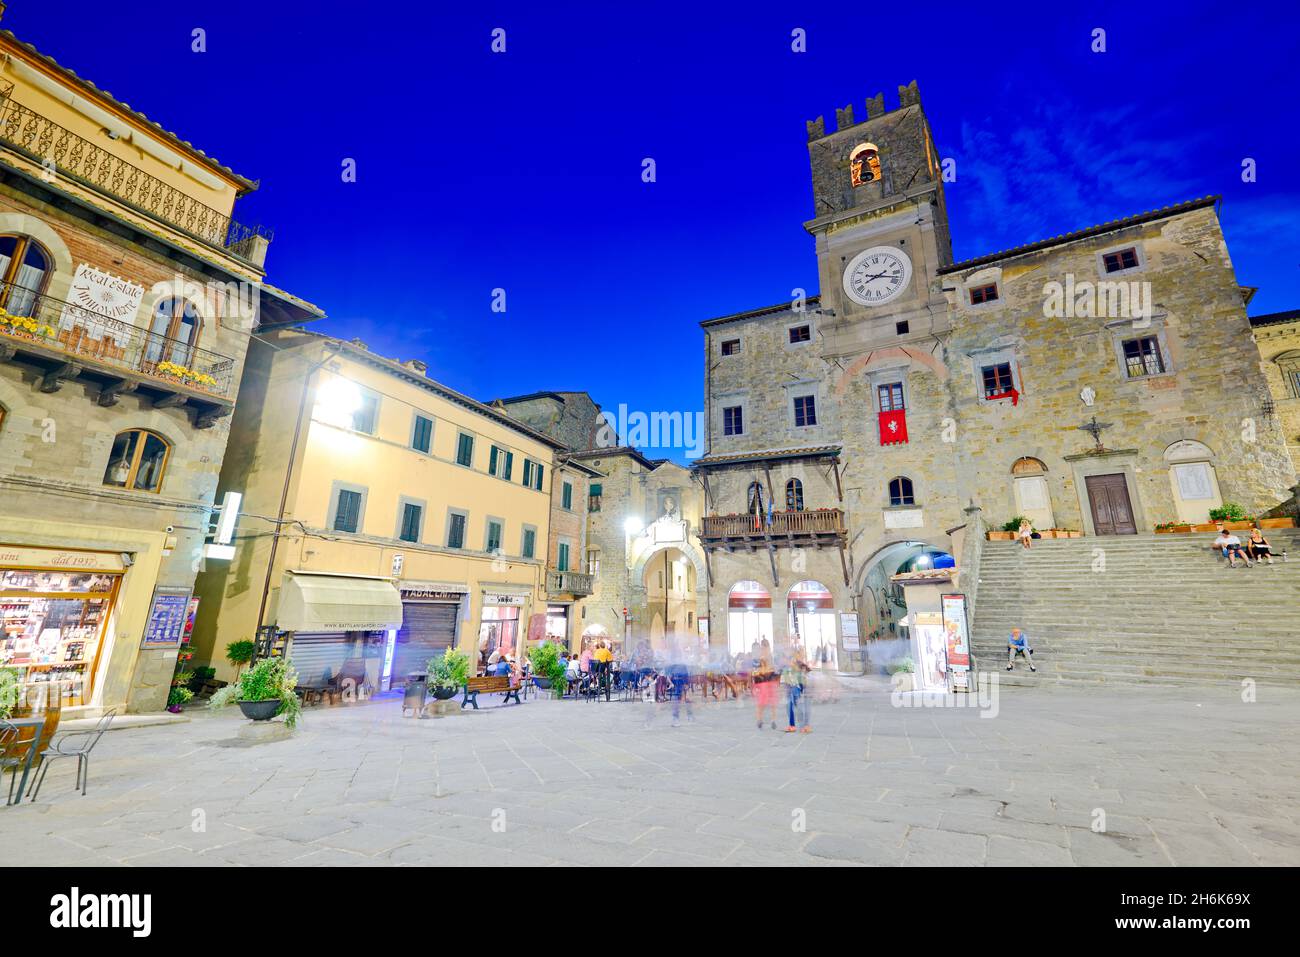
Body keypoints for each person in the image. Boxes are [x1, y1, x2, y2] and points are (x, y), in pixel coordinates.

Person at [782, 645, 812, 733]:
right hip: (791, 688)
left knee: (800, 707)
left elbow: (805, 676)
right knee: (790, 707)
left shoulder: (801, 665)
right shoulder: (789, 666)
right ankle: (793, 725)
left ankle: (804, 726)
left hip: (798, 689)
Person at [751, 648, 780, 729]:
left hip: (768, 689)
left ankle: (772, 720)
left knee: (770, 705)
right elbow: (756, 682)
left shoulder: (770, 670)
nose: (763, 662)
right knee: (761, 706)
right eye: (762, 661)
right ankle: (760, 720)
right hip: (763, 691)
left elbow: (775, 679)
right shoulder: (758, 671)